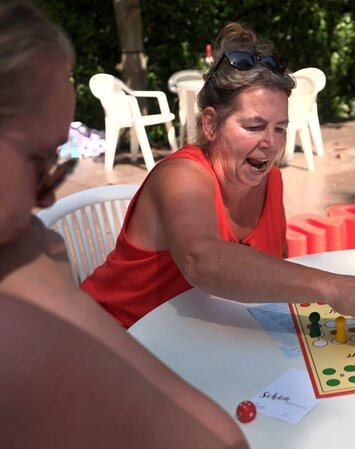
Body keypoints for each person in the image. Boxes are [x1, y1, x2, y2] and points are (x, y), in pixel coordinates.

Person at [0, 1, 248, 447]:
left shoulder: (29, 252)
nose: (48, 197)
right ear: (210, 124)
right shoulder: (17, 308)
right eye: (38, 161)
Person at [80, 23, 355, 333]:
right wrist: (338, 287)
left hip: (192, 343)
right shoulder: (181, 175)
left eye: (279, 128)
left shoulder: (272, 181)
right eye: (254, 126)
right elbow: (202, 261)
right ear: (210, 124)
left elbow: (273, 270)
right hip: (109, 339)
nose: (270, 142)